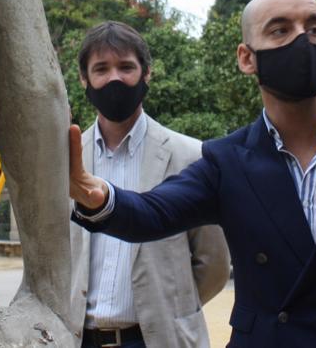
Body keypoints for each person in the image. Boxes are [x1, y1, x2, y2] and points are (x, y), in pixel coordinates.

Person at [69, 0, 316, 347]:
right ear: (246, 58)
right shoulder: (227, 160)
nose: (303, 40)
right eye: (280, 29)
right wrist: (99, 198)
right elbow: (154, 211)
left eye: (314, 28)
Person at [67, 21, 230, 348]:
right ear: (84, 79)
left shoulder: (192, 155)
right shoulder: (67, 161)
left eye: (126, 67)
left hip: (158, 338)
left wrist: (171, 306)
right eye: (101, 69)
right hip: (79, 339)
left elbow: (214, 264)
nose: (114, 78)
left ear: (146, 74)